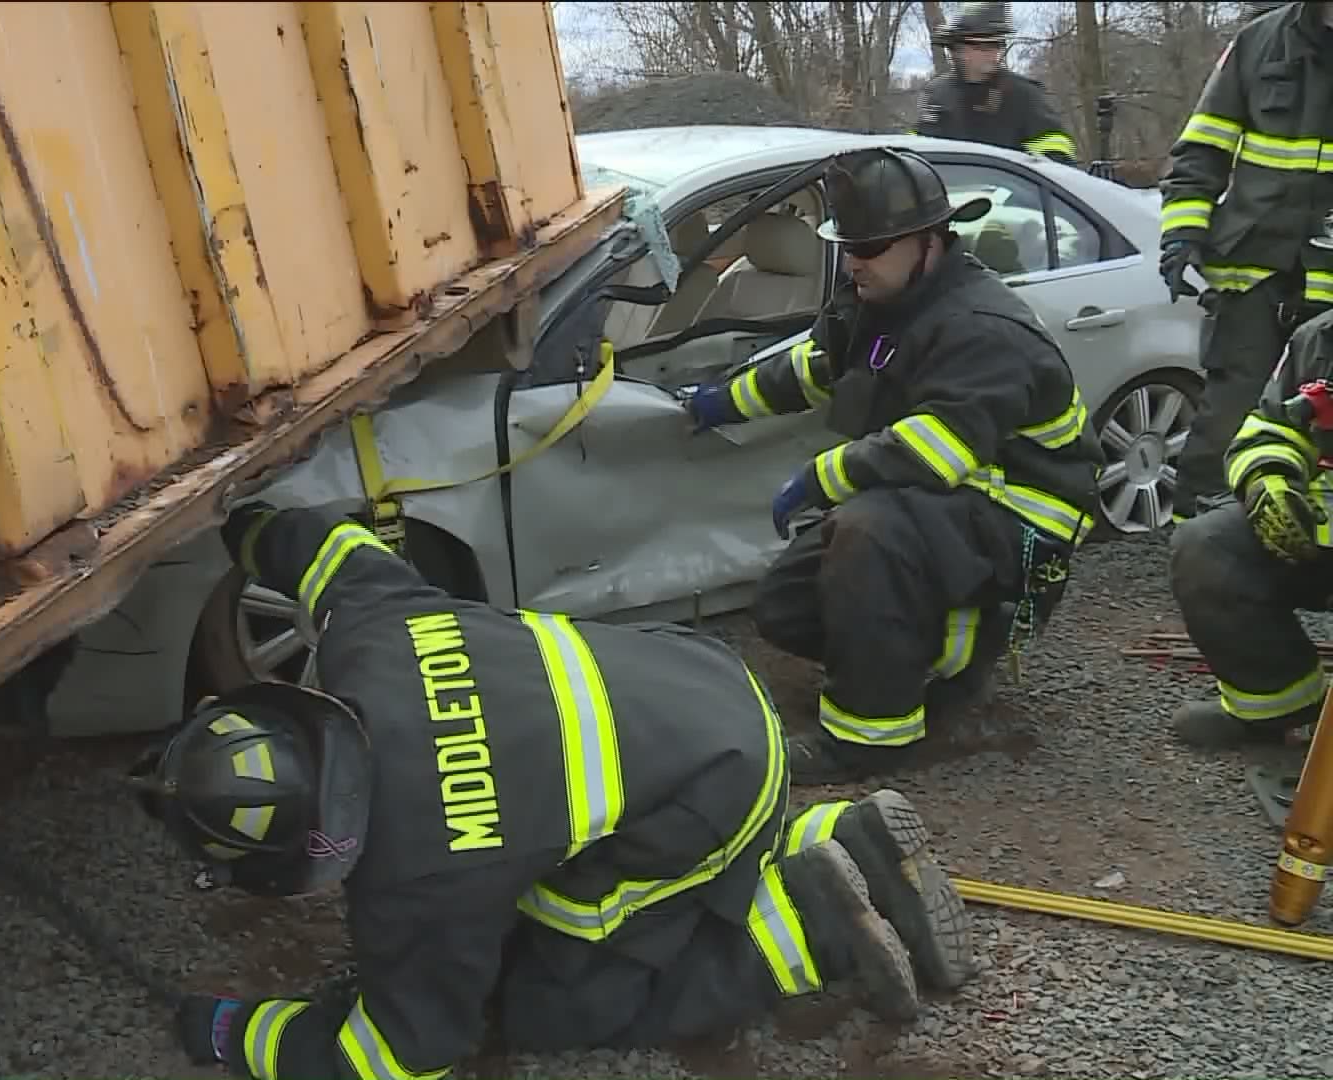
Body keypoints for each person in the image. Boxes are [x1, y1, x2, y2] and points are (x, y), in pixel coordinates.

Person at [126, 500, 974, 1079]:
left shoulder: (413, 881)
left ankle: (804, 929)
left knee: (555, 997)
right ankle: (843, 841)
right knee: (546, 863)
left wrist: (236, 1033)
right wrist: (241, 522)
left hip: (714, 793)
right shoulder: (373, 634)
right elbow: (324, 550)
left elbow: (404, 1053)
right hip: (702, 687)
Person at [679, 147, 1101, 784]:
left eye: (869, 249)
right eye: (848, 247)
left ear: (929, 242)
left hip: (1023, 520)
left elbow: (935, 452)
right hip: (955, 504)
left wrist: (818, 478)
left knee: (870, 531)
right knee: (785, 608)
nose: (854, 263)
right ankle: (917, 668)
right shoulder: (875, 301)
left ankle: (870, 738)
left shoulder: (983, 328)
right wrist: (720, 402)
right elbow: (817, 369)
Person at [1160, 1, 1333, 518]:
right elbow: (1202, 149)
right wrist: (1183, 233)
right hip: (1253, 276)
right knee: (1225, 428)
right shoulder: (1259, 43)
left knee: (1318, 433)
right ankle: (1207, 555)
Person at [1167, 254, 1333, 749]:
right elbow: (1269, 429)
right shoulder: (1321, 340)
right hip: (1319, 535)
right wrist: (1269, 484)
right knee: (1207, 547)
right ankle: (1275, 703)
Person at [909, 1, 1078, 165]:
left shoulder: (1023, 94)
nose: (992, 53)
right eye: (982, 46)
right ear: (958, 49)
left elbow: (1056, 155)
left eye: (996, 45)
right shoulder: (937, 94)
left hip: (1012, 190)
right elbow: (918, 151)